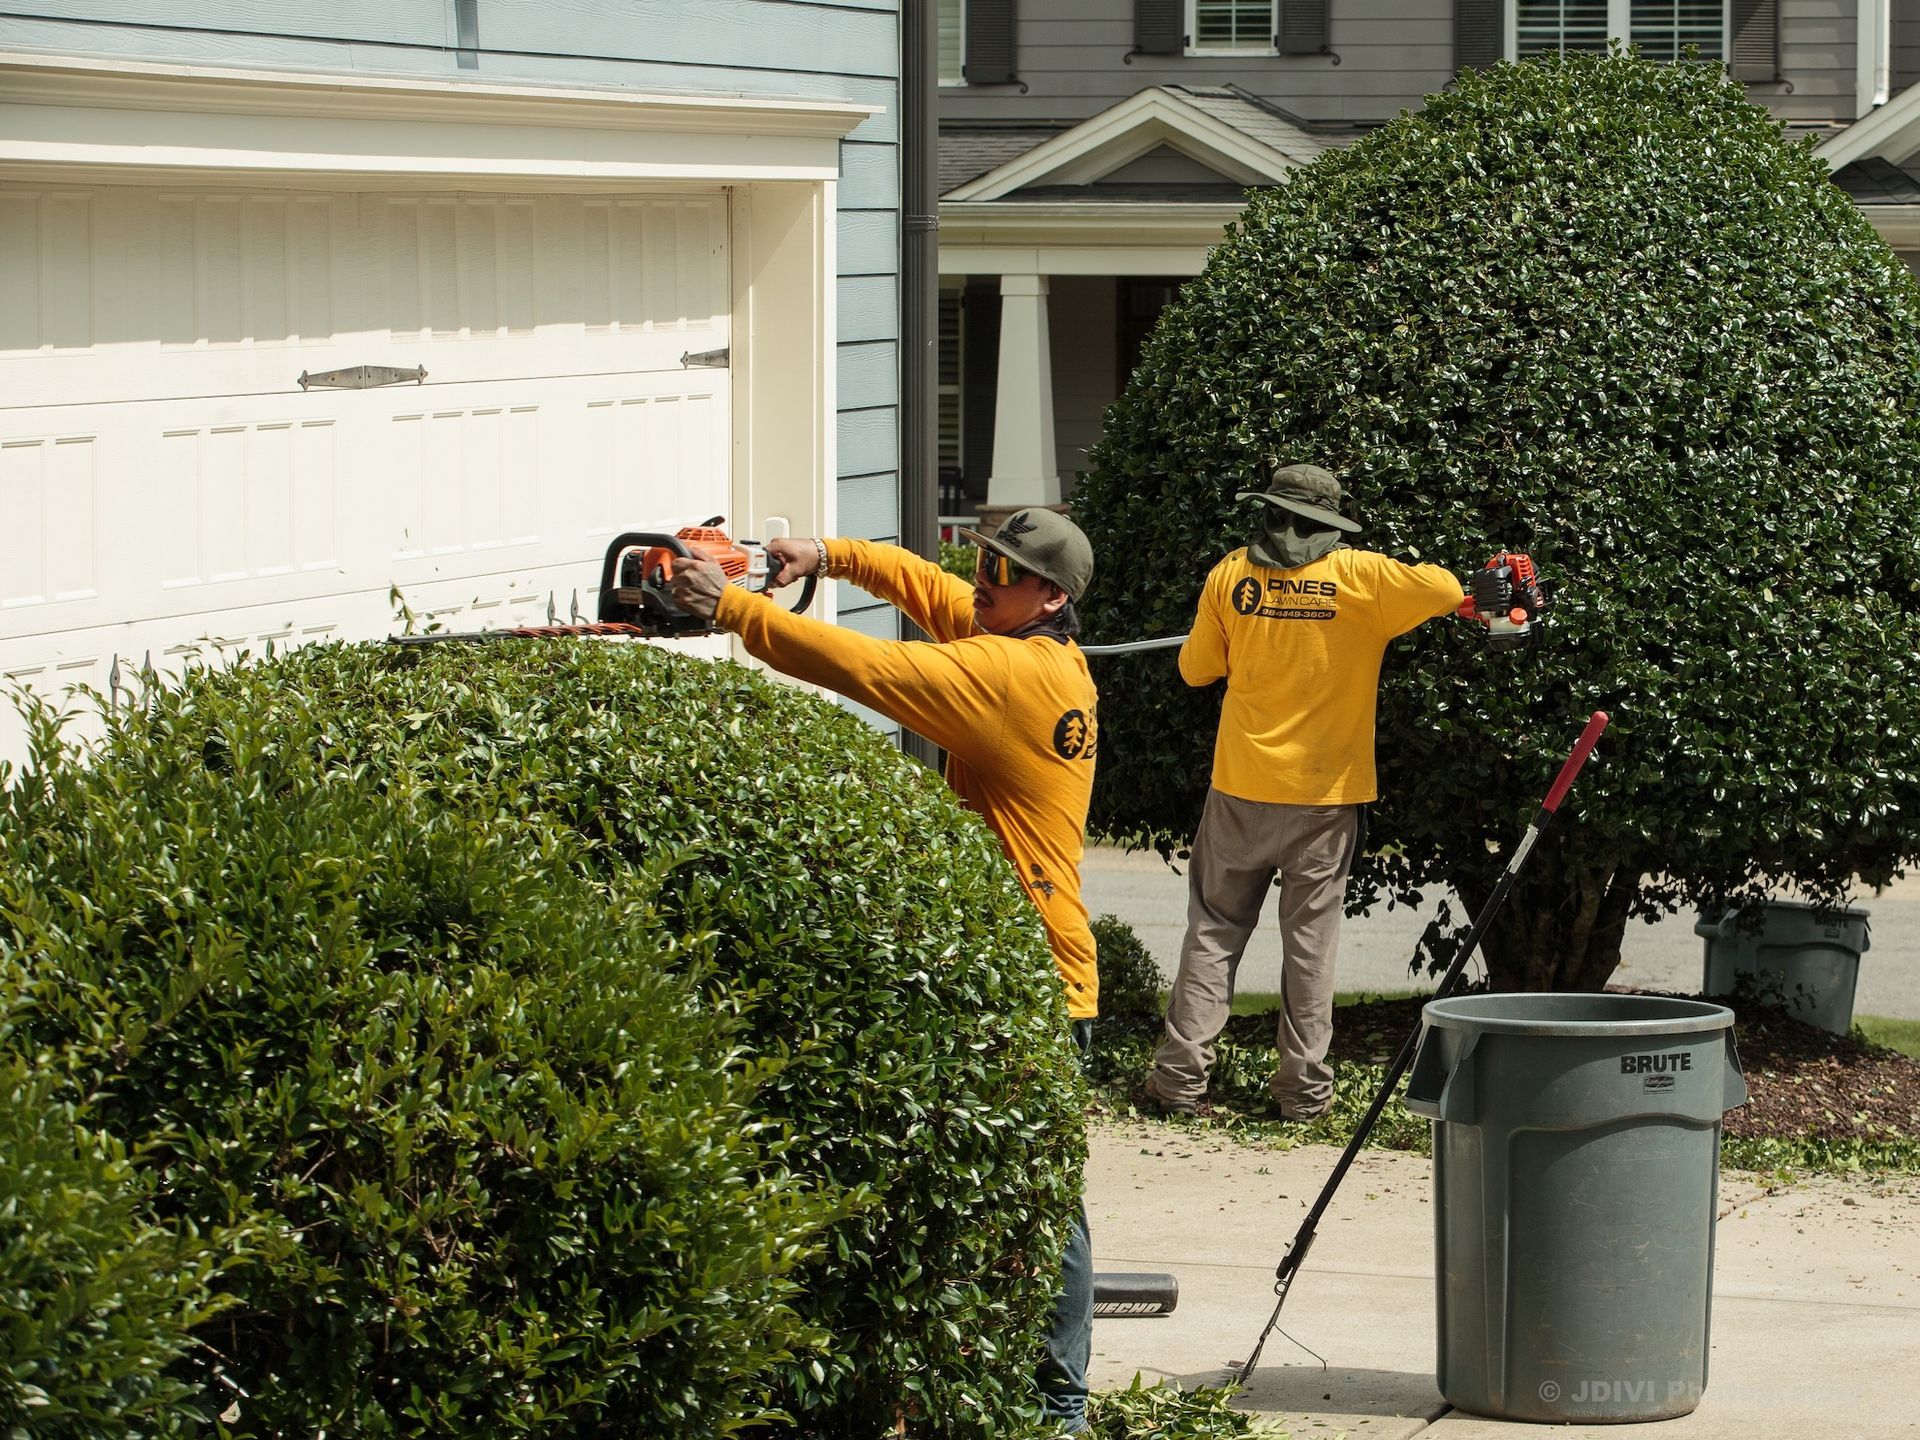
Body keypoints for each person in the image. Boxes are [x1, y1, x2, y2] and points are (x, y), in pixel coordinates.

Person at [668, 507, 1100, 1434]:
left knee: (1042, 1206)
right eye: (984, 563)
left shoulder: (1009, 674)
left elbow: (870, 668)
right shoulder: (1006, 631)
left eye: (1006, 572)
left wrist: (735, 614)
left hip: (1038, 978)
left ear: (1051, 597)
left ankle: (1060, 1406)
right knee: (984, 1186)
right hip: (1007, 961)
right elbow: (919, 584)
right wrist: (824, 555)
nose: (982, 579)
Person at [1141, 461, 1468, 1121]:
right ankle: (1303, 1096)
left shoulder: (1231, 575)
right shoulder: (1363, 578)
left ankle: (1178, 1084)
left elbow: (1195, 669)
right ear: (1332, 522)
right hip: (1325, 797)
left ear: (1268, 511)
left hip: (1239, 788)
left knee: (1213, 930)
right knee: (1310, 943)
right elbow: (1448, 587)